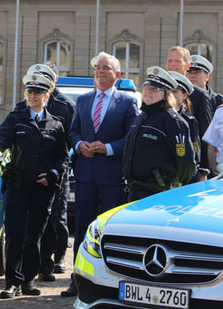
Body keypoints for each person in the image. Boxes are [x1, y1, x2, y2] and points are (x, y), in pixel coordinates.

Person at [0, 73, 68, 299]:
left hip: (43, 188)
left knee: (34, 235)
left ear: (46, 95)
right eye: (29, 92)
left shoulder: (56, 124)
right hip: (18, 185)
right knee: (14, 234)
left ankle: (29, 279)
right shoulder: (16, 118)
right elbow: (2, 139)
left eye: (37, 93)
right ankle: (12, 282)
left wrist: (52, 174)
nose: (32, 96)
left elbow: (63, 158)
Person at [61, 51, 138, 297]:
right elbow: (72, 131)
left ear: (117, 74)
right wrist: (78, 145)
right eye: (97, 68)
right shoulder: (83, 100)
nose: (100, 71)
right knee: (82, 229)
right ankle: (78, 279)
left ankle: (109, 280)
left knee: (109, 231)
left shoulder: (127, 102)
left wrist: (109, 148)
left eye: (105, 68)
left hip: (111, 177)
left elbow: (131, 138)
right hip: (85, 175)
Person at [13, 62, 75, 282]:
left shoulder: (65, 105)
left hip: (56, 173)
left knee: (55, 220)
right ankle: (33, 266)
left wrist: (58, 171)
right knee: (33, 223)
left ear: (55, 79)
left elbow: (69, 140)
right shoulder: (25, 104)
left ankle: (51, 261)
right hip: (30, 176)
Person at [122, 66, 195, 201]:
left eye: (155, 89)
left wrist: (175, 184)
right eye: (147, 87)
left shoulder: (172, 121)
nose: (149, 92)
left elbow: (186, 163)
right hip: (135, 190)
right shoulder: (141, 117)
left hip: (159, 192)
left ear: (166, 94)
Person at [166, 46, 215, 171]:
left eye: (177, 61)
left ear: (186, 65)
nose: (172, 64)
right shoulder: (160, 91)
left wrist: (203, 169)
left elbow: (205, 135)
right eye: (170, 60)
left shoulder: (198, 95)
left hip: (189, 162)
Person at [168, 70, 207, 182]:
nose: (171, 96)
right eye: (168, 91)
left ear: (185, 95)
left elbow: (195, 153)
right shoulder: (158, 117)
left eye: (175, 92)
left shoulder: (189, 120)